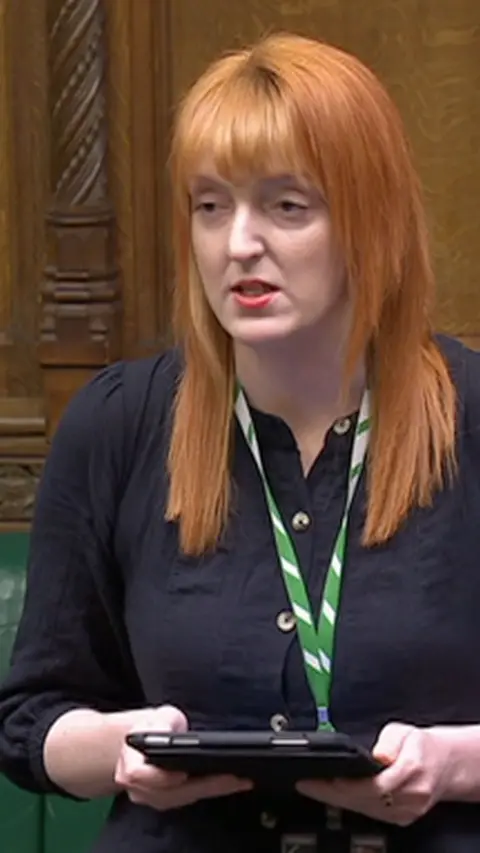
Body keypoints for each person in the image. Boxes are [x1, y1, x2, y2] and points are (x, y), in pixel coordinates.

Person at [0, 29, 480, 853]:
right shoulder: (117, 423)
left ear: (372, 220)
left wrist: (455, 762)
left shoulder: (472, 413)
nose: (238, 244)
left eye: (286, 206)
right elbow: (31, 721)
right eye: (211, 205)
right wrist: (122, 747)